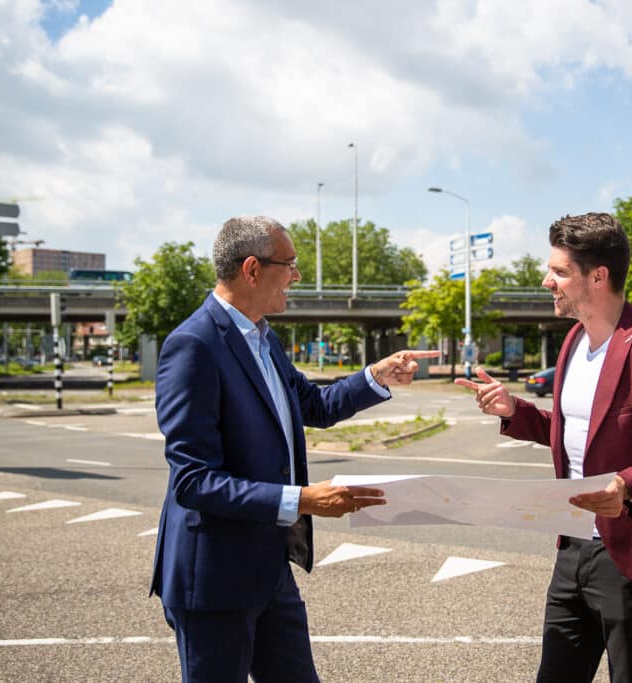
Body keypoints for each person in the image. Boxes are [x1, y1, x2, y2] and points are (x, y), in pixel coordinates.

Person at [150, 215, 438, 683]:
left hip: (268, 566)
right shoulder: (193, 346)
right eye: (290, 264)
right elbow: (193, 481)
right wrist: (303, 500)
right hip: (213, 578)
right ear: (252, 269)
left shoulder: (264, 337)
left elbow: (311, 404)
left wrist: (376, 377)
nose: (297, 276)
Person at [456, 212, 632, 682]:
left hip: (631, 552)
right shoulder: (574, 340)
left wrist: (627, 485)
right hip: (572, 545)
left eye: (559, 272)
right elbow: (575, 429)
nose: (545, 280)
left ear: (598, 276)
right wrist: (514, 411)